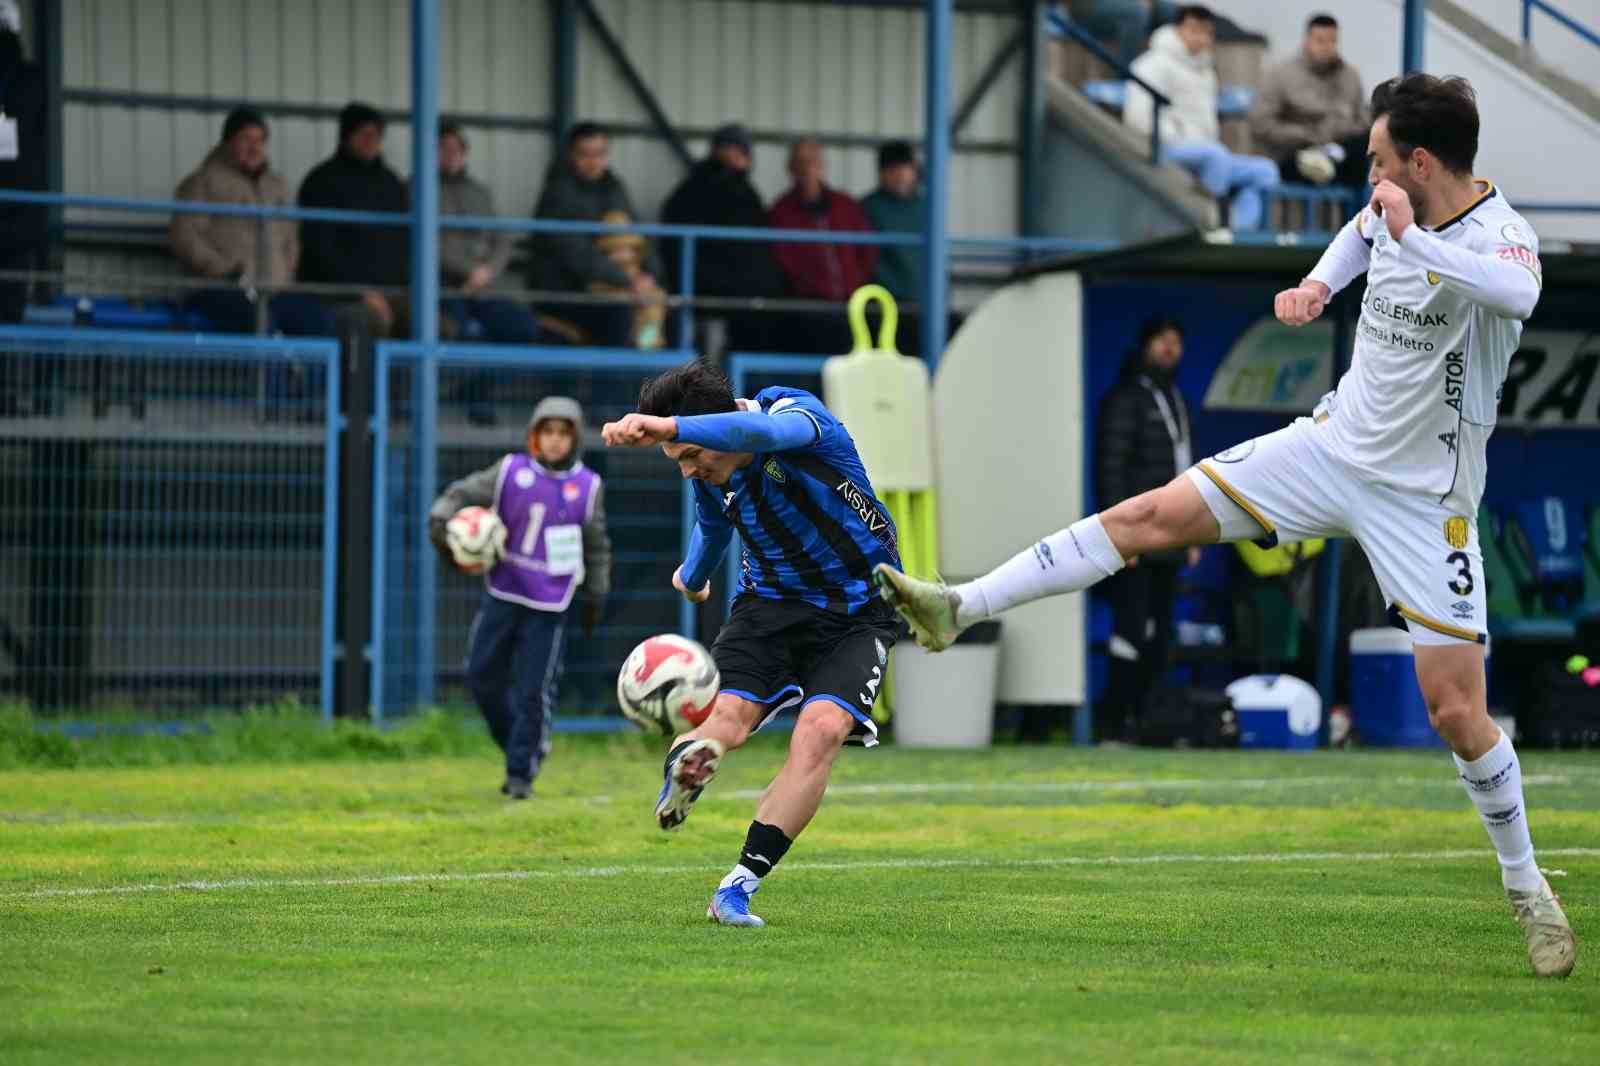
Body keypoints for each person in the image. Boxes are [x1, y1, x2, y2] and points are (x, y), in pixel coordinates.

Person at [876, 74, 1576, 978]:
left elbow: (1514, 298)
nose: (1368, 178)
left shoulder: (1502, 238)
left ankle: (1527, 887)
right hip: (1328, 451)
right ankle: (959, 604)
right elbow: (1360, 238)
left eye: (1376, 159)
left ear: (1423, 161)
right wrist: (1316, 287)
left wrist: (1409, 238)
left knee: (1457, 713)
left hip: (1425, 501)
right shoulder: (1383, 212)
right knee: (1145, 517)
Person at [601, 359, 905, 927]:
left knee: (821, 732)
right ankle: (690, 764)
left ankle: (737, 887)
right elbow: (714, 526)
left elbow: (759, 435)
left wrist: (668, 430)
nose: (689, 469)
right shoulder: (714, 477)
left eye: (693, 454)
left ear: (712, 424)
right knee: (728, 720)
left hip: (862, 608)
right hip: (768, 608)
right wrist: (692, 577)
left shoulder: (797, 417)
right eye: (679, 460)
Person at [428, 397, 611, 799]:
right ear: (534, 435)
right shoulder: (510, 471)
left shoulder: (588, 486)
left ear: (575, 439)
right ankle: (522, 744)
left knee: (533, 690)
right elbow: (461, 492)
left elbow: (597, 545)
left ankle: (519, 776)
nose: (555, 441)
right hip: (505, 590)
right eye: (548, 432)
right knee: (481, 676)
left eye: (564, 434)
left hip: (550, 602)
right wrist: (442, 515)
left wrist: (596, 591)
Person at [1094, 315, 1202, 743]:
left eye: (1177, 342)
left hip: (1173, 539)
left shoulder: (1175, 398)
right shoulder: (1126, 399)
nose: (1171, 349)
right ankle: (1113, 722)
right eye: (1163, 341)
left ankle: (1146, 720)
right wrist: (1120, 538)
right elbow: (1111, 469)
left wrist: (1193, 535)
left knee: (1159, 632)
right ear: (1145, 346)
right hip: (1136, 538)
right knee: (1130, 630)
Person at [171, 107, 338, 338]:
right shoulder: (202, 181)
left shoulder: (278, 185)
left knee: (320, 322)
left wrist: (285, 273)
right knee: (261, 324)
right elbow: (185, 236)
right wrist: (223, 270)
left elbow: (291, 238)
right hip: (218, 289)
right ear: (228, 142)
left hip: (273, 290)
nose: (254, 147)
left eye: (260, 140)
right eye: (245, 138)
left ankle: (306, 376)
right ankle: (264, 376)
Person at [1123, 6, 1279, 231]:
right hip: (1162, 148)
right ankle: (1205, 226)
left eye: (1206, 31)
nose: (1200, 37)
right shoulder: (1151, 64)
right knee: (1215, 156)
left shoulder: (1206, 70)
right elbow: (1138, 119)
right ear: (1177, 30)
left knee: (1264, 171)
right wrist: (1180, 137)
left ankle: (1238, 228)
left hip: (1205, 152)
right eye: (1193, 29)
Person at [528, 122, 663, 348]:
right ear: (571, 155)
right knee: (619, 316)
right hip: (566, 292)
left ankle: (651, 371)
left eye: (600, 154)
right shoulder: (558, 193)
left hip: (619, 287)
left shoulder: (614, 187)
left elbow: (638, 233)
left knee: (667, 312)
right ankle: (613, 383)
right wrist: (629, 281)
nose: (593, 161)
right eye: (585, 154)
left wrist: (649, 273)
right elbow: (576, 255)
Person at [659, 123, 786, 352]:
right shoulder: (696, 190)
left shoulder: (746, 191)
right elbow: (677, 246)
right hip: (713, 293)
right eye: (732, 149)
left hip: (747, 294)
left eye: (742, 152)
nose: (739, 158)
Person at [297, 102, 410, 336]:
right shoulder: (321, 181)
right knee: (363, 322)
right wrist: (361, 292)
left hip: (393, 293)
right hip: (338, 294)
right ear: (347, 136)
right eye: (364, 134)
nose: (371, 141)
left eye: (377, 135)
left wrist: (401, 290)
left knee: (436, 325)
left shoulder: (392, 184)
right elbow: (320, 250)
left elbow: (404, 243)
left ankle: (420, 375)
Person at [435, 120, 538, 345]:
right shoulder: (417, 188)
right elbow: (429, 243)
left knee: (524, 326)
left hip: (485, 289)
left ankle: (487, 382)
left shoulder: (479, 192)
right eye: (444, 148)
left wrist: (487, 271)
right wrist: (469, 271)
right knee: (460, 332)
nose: (451, 154)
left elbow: (501, 239)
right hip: (443, 290)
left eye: (457, 148)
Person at [769, 139, 877, 353]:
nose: (809, 168)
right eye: (802, 162)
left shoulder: (845, 204)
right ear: (791, 169)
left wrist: (854, 282)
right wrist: (811, 288)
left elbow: (868, 249)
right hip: (809, 308)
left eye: (814, 161)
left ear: (823, 165)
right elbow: (782, 261)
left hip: (851, 304)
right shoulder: (781, 211)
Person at [1249, 14, 1370, 190]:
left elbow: (1362, 121)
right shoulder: (1280, 74)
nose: (1326, 47)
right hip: (1296, 155)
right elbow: (1261, 123)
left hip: (1342, 153)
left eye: (1332, 41)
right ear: (1306, 40)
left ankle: (1334, 156)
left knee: (1369, 142)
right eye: (1320, 40)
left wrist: (1339, 134)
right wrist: (1308, 135)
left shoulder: (1350, 76)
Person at [0, 1, 47, 325]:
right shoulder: (33, 79)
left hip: (18, 216)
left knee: (9, 308)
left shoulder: (30, 81)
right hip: (21, 216)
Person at [861, 140, 925, 305]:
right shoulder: (867, 208)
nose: (900, 176)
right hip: (883, 303)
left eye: (904, 168)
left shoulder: (927, 207)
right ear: (882, 174)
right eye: (892, 170)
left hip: (925, 301)